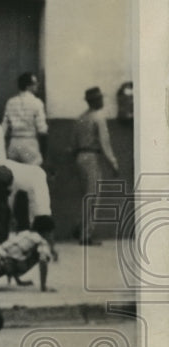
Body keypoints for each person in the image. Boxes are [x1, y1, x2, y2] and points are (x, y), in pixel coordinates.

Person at [71, 87, 120, 245]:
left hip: (80, 156)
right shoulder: (99, 117)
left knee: (85, 196)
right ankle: (85, 235)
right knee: (93, 196)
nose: (102, 101)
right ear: (95, 101)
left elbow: (73, 143)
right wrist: (113, 163)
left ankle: (81, 229)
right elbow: (104, 143)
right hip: (92, 156)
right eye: (100, 98)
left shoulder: (80, 118)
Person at [0, 158, 53, 243]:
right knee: (0, 215)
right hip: (2, 175)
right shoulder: (40, 175)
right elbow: (43, 212)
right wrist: (49, 243)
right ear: (50, 175)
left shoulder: (28, 171)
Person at [0, 216, 56, 292]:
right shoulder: (41, 242)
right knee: (44, 255)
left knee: (18, 254)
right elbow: (43, 261)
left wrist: (18, 281)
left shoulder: (24, 233)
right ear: (47, 232)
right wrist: (43, 287)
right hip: (1, 263)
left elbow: (13, 252)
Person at [1, 72, 48, 166]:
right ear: (28, 86)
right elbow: (42, 130)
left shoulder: (11, 102)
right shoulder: (37, 103)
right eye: (34, 83)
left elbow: (4, 128)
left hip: (13, 143)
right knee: (33, 173)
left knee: (15, 174)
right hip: (29, 143)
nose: (37, 85)